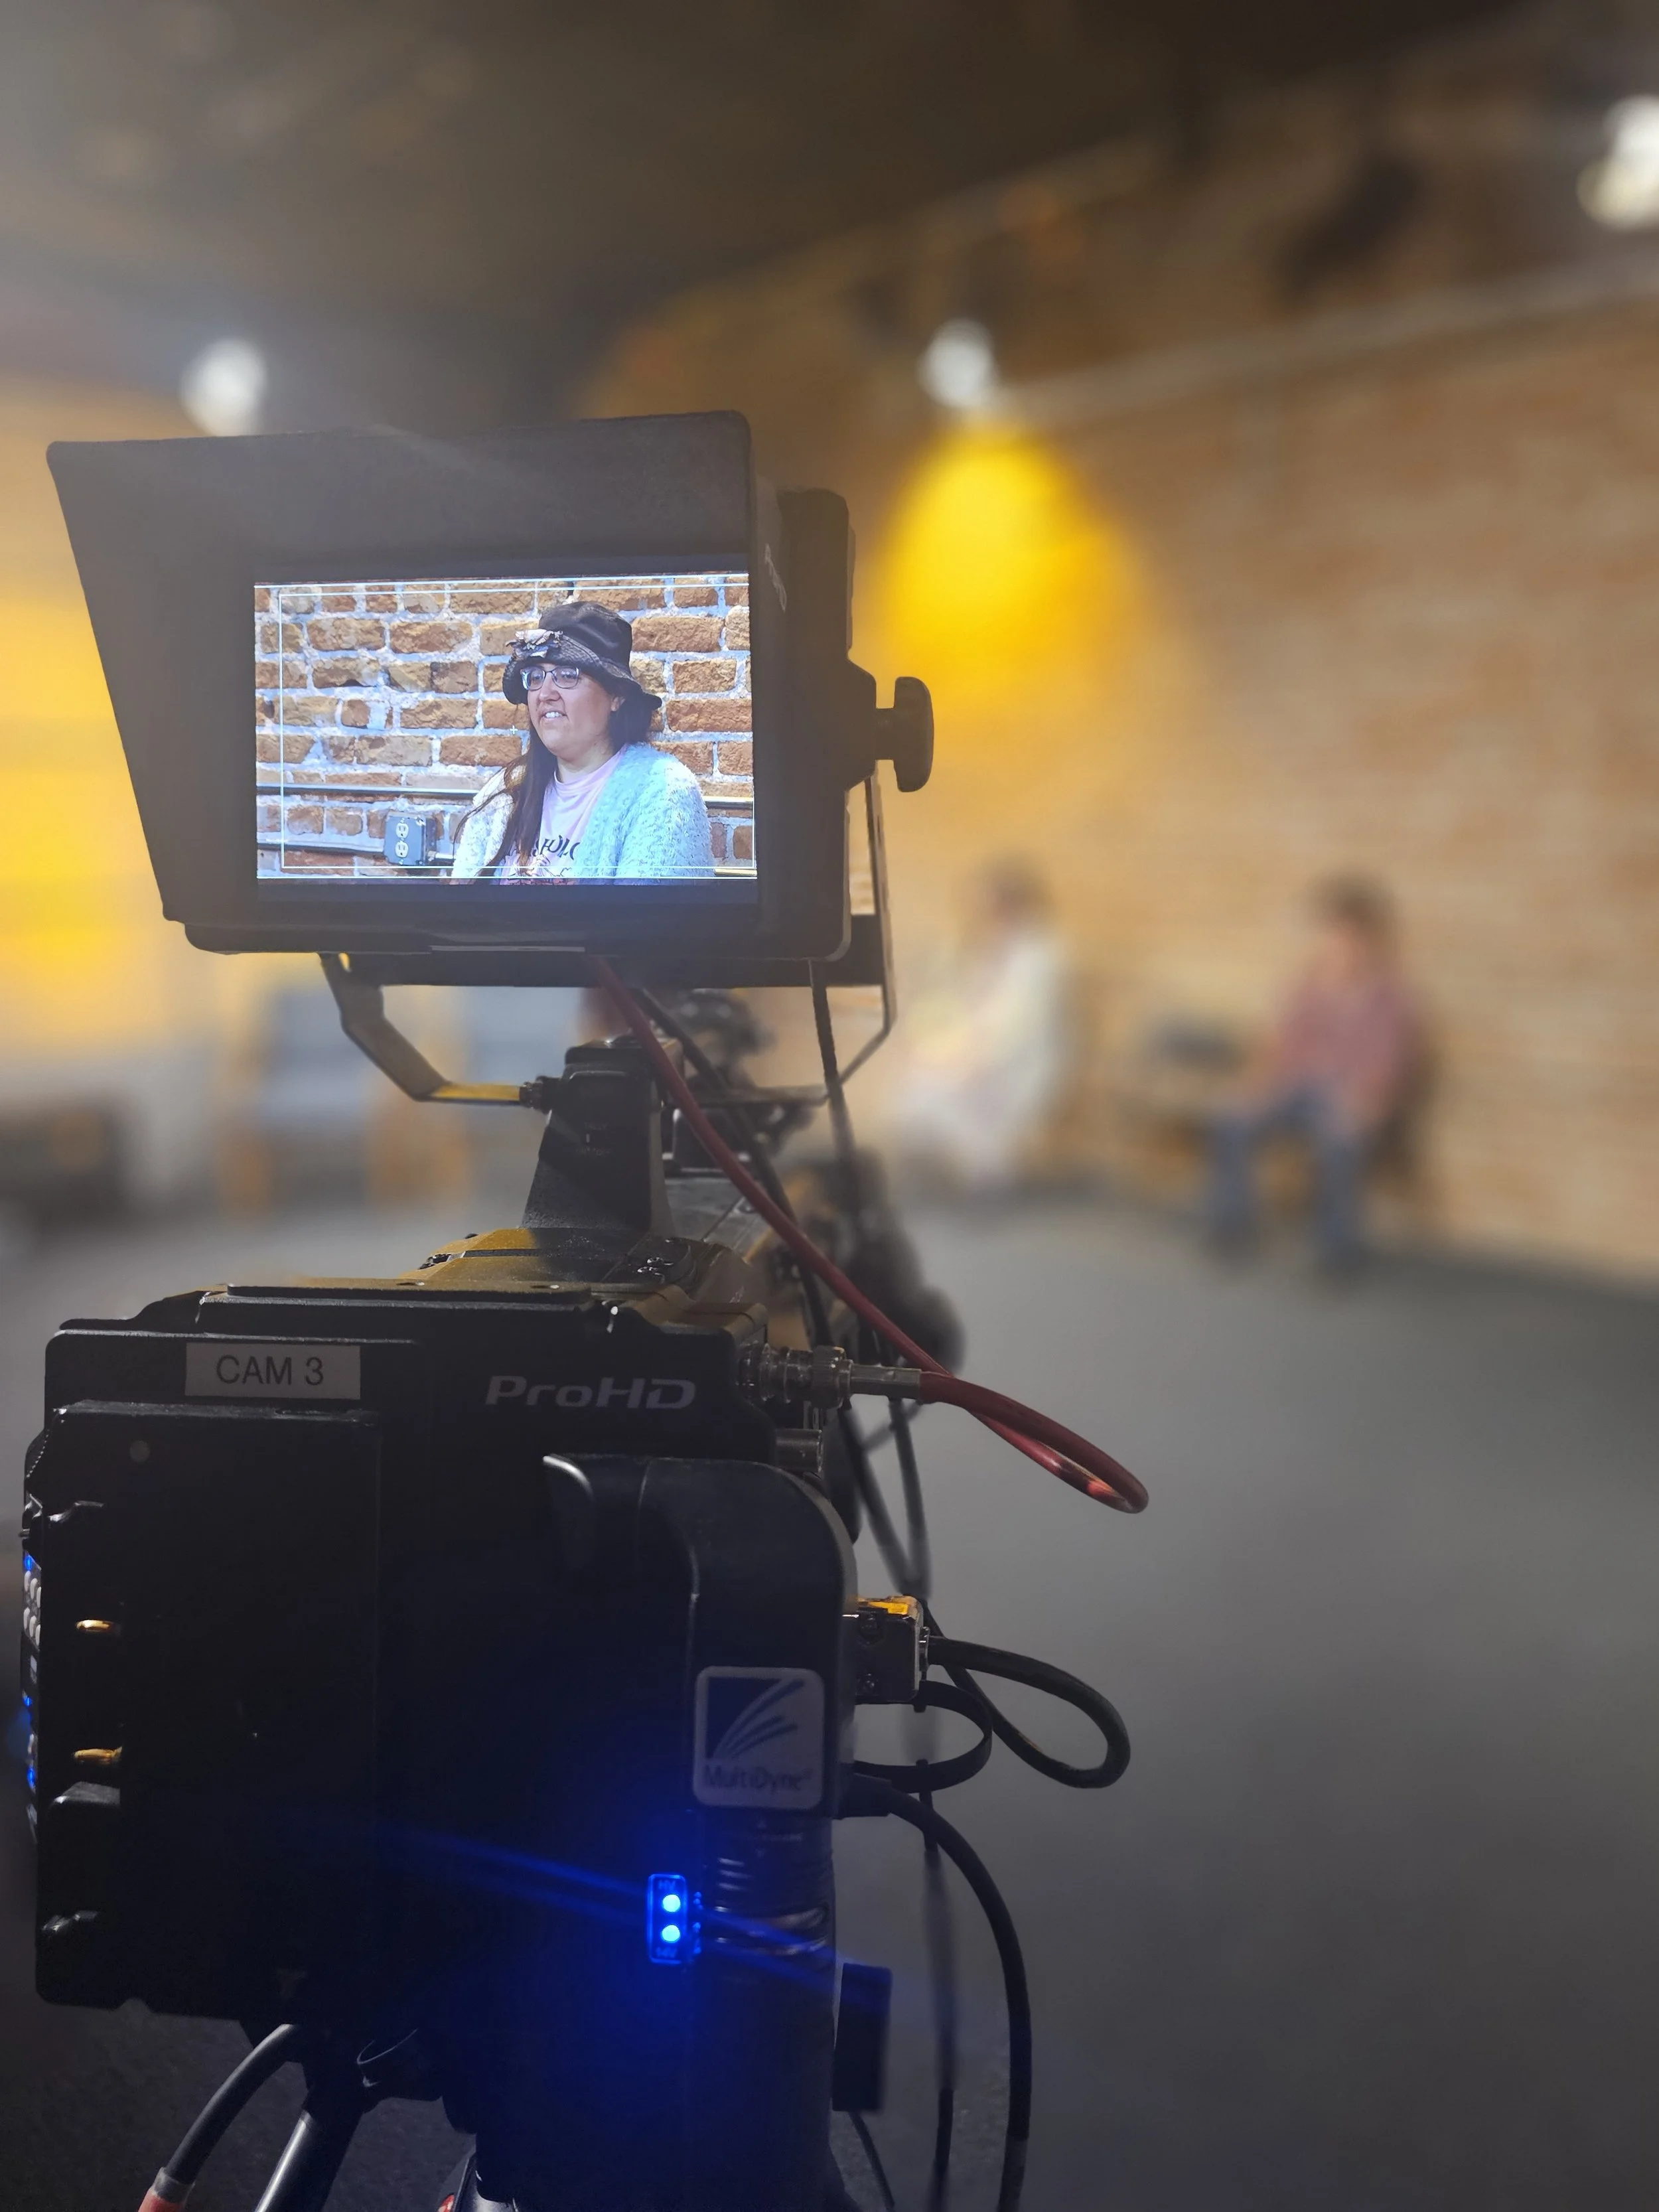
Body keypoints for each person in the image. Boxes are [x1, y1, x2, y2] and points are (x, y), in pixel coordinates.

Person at [1204, 875, 1423, 1273]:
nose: (1339, 946)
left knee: (1340, 1139)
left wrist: (1363, 1106)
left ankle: (1338, 1251)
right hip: (1296, 1089)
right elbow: (1276, 1047)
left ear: (1370, 940)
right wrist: (1255, 1086)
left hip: (1354, 1097)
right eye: (1333, 935)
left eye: (1349, 937)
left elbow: (1389, 1071)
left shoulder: (1391, 997)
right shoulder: (1307, 985)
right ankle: (1233, 1225)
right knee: (1232, 1119)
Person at [449, 602, 713, 881]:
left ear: (616, 696)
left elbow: (650, 921)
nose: (545, 693)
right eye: (536, 676)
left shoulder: (661, 793)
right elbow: (460, 910)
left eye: (567, 675)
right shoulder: (506, 791)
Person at [890, 857, 1072, 1193]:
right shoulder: (985, 948)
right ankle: (932, 1173)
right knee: (921, 1079)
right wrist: (931, 1039)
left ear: (1011, 905)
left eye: (988, 905)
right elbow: (955, 1004)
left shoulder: (1040, 957)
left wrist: (973, 1058)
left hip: (1021, 1060)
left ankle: (987, 1178)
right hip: (978, 1048)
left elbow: (1021, 1026)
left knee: (952, 1086)